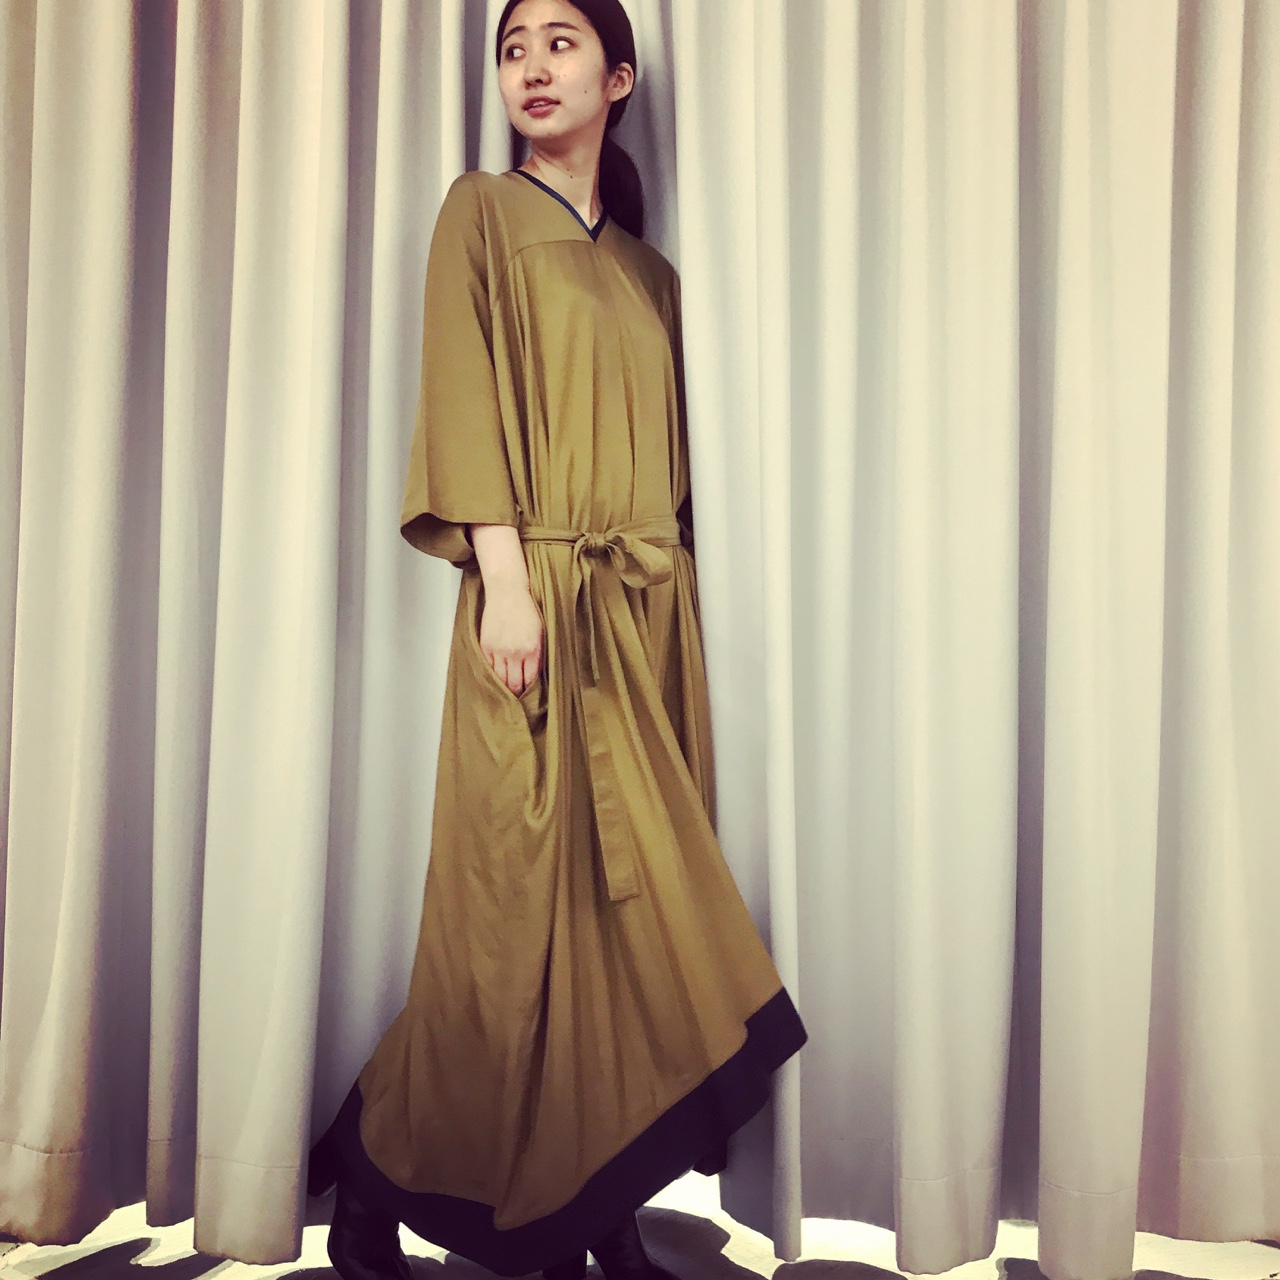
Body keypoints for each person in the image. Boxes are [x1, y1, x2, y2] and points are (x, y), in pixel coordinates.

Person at [311, 2, 806, 1277]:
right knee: (503, 927)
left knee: (625, 929)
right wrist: (504, 579)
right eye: (512, 46)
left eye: (559, 42)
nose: (530, 65)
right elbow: (461, 390)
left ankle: (597, 1210)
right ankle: (371, 1170)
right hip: (529, 601)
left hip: (641, 618)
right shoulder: (477, 212)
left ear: (617, 76)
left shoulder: (652, 276)